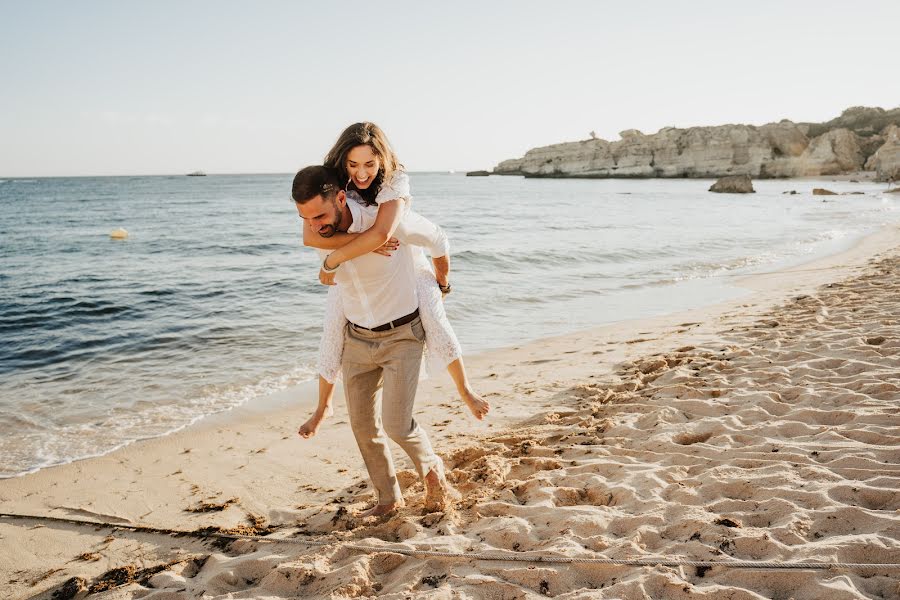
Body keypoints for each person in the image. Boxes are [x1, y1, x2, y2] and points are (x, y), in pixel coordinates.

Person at [297, 123, 488, 443]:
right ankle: (323, 406)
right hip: (359, 261)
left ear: (382, 160)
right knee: (332, 328)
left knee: (435, 319)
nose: (360, 173)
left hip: (406, 258)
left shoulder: (394, 184)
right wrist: (362, 242)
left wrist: (443, 284)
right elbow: (309, 235)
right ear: (343, 160)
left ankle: (465, 390)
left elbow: (429, 241)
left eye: (370, 164)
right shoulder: (332, 179)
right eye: (353, 164)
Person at [292, 164, 460, 515]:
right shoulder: (317, 225)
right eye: (304, 218)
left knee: (398, 425)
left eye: (319, 215)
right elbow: (314, 239)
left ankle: (432, 470)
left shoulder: (384, 221)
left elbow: (438, 239)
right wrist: (361, 247)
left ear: (340, 197)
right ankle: (389, 498)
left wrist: (442, 284)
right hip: (357, 336)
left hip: (402, 334)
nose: (314, 225)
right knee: (363, 426)